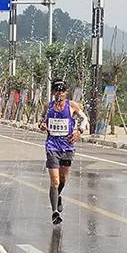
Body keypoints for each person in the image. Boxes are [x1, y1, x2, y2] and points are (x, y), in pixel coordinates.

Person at [38, 79, 88, 224]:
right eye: (57, 89)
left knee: (63, 179)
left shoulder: (72, 106)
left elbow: (84, 119)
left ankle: (57, 195)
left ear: (66, 92)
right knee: (54, 180)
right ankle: (54, 212)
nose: (59, 92)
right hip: (52, 145)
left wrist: (79, 131)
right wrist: (41, 125)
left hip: (67, 146)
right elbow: (41, 120)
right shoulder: (48, 106)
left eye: (62, 90)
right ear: (53, 91)